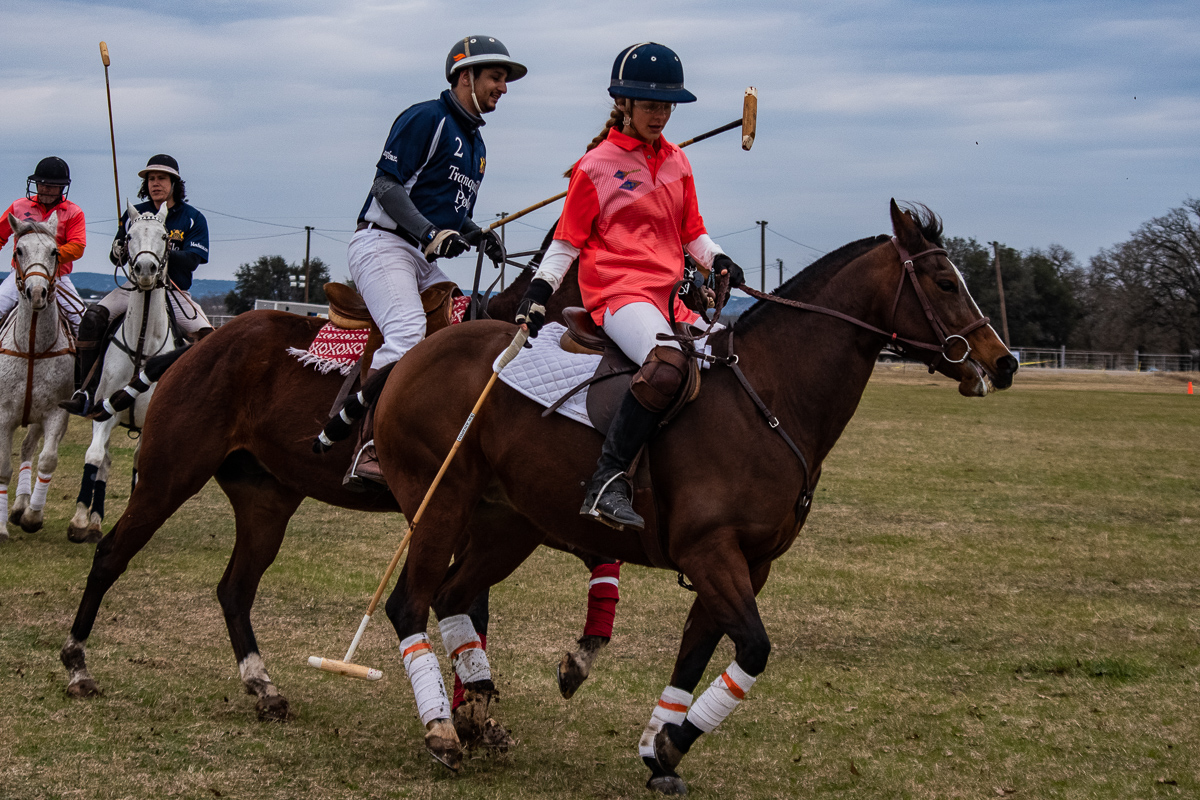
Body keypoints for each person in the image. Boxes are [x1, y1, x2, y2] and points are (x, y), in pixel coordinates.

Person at [515, 42, 746, 530]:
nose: (659, 115)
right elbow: (566, 243)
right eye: (649, 105)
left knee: (727, 360)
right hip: (619, 296)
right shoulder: (595, 165)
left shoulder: (679, 162)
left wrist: (719, 258)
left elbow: (692, 233)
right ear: (623, 104)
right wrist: (536, 293)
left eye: (666, 106)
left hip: (669, 299)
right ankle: (607, 478)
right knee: (667, 366)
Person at [343, 35, 524, 489]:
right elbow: (387, 186)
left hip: (420, 258)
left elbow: (449, 215)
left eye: (504, 80)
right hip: (383, 245)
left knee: (469, 331)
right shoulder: (428, 117)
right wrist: (429, 233)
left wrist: (475, 232)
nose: (503, 87)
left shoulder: (477, 146)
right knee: (406, 332)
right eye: (496, 78)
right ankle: (369, 447)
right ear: (466, 76)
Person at [60, 154, 213, 415]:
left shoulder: (192, 218)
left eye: (161, 178)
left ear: (174, 182)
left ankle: (203, 404)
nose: (155, 183)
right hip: (132, 289)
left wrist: (159, 250)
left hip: (173, 291)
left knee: (209, 337)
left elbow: (192, 260)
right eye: (151, 179)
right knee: (92, 318)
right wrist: (118, 249)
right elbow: (115, 255)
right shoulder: (135, 214)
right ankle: (85, 391)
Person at [0, 156, 86, 333]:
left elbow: (77, 246)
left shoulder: (74, 212)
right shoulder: (18, 207)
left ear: (62, 187)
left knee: (81, 320)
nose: (45, 189)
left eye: (52, 186)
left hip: (58, 276)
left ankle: (83, 359)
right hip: (20, 275)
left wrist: (47, 256)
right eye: (41, 184)